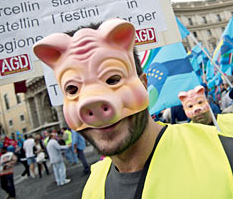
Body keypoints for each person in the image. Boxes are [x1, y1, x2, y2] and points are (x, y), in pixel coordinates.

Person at [33, 18, 233, 198]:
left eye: (113, 79)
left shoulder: (223, 153)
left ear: (144, 84)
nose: (92, 102)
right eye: (73, 89)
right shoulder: (93, 187)